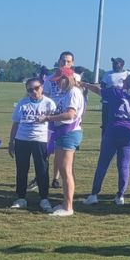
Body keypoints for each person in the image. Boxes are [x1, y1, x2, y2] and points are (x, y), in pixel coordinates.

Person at [83, 72, 130, 206]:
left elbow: (98, 90)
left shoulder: (115, 92)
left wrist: (84, 84)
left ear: (127, 83)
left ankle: (94, 194)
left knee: (103, 164)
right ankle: (120, 195)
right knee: (124, 166)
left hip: (113, 129)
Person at [9, 76, 57, 211]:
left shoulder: (49, 103)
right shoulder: (22, 103)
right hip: (22, 139)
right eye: (30, 90)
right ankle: (21, 197)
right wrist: (11, 141)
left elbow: (53, 124)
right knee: (22, 169)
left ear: (41, 88)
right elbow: (16, 123)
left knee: (42, 169)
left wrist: (51, 142)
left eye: (36, 88)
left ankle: (44, 198)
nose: (34, 92)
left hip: (41, 140)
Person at [45, 66, 85, 216]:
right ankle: (65, 202)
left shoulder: (73, 93)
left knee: (66, 171)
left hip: (69, 133)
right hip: (64, 133)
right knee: (63, 170)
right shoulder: (68, 92)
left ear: (66, 79)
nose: (57, 84)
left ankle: (68, 207)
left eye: (59, 81)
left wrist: (49, 118)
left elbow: (70, 115)